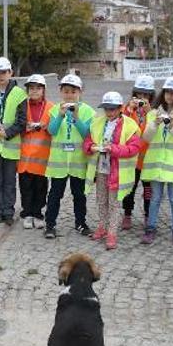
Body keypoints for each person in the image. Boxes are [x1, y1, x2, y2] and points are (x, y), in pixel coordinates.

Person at [140, 77, 173, 248]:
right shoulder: (153, 113)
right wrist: (154, 124)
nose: (170, 96)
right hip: (156, 164)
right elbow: (146, 138)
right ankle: (151, 229)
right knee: (155, 198)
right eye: (167, 92)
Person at [83, 92, 141, 250]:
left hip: (117, 170)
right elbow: (87, 141)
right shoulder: (97, 123)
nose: (109, 112)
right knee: (101, 199)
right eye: (106, 109)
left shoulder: (130, 125)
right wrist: (91, 147)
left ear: (120, 108)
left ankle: (112, 233)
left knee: (114, 203)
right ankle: (102, 226)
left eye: (112, 109)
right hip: (101, 167)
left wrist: (114, 149)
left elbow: (134, 148)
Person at [44, 74, 95, 239]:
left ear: (79, 92)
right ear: (61, 92)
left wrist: (76, 117)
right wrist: (59, 115)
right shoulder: (54, 109)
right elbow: (51, 131)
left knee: (79, 195)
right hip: (59, 162)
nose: (69, 95)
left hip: (77, 161)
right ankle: (50, 225)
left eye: (73, 91)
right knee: (54, 195)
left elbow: (86, 133)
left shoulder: (87, 110)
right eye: (66, 91)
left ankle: (81, 223)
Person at [0, 57, 28, 226]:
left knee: (9, 180)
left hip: (10, 144)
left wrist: (7, 133)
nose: (1, 75)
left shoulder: (20, 94)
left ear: (11, 73)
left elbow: (22, 121)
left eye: (4, 72)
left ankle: (8, 211)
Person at [18, 74, 53, 230]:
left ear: (43, 90)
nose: (34, 91)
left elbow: (54, 128)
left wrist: (45, 126)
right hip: (24, 155)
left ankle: (38, 213)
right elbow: (17, 125)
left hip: (41, 156)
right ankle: (27, 214)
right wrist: (26, 127)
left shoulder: (51, 107)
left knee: (41, 187)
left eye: (38, 88)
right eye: (31, 88)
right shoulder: (22, 105)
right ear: (27, 90)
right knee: (25, 186)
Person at [121, 74, 155, 230]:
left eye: (146, 95)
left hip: (148, 159)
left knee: (148, 190)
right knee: (130, 188)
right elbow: (120, 126)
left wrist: (150, 113)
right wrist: (129, 110)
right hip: (131, 158)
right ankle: (127, 214)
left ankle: (148, 214)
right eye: (139, 94)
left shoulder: (154, 111)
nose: (142, 98)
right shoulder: (127, 108)